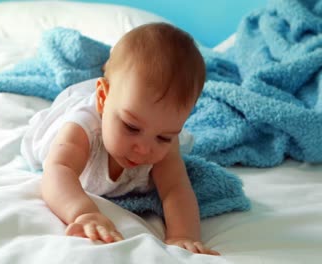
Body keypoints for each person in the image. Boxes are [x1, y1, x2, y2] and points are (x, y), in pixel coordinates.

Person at [21, 22, 219, 255]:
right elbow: (57, 169)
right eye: (131, 127)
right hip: (73, 122)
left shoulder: (162, 138)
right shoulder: (82, 129)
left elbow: (175, 189)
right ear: (103, 99)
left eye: (164, 137)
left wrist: (183, 235)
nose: (145, 149)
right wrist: (84, 212)